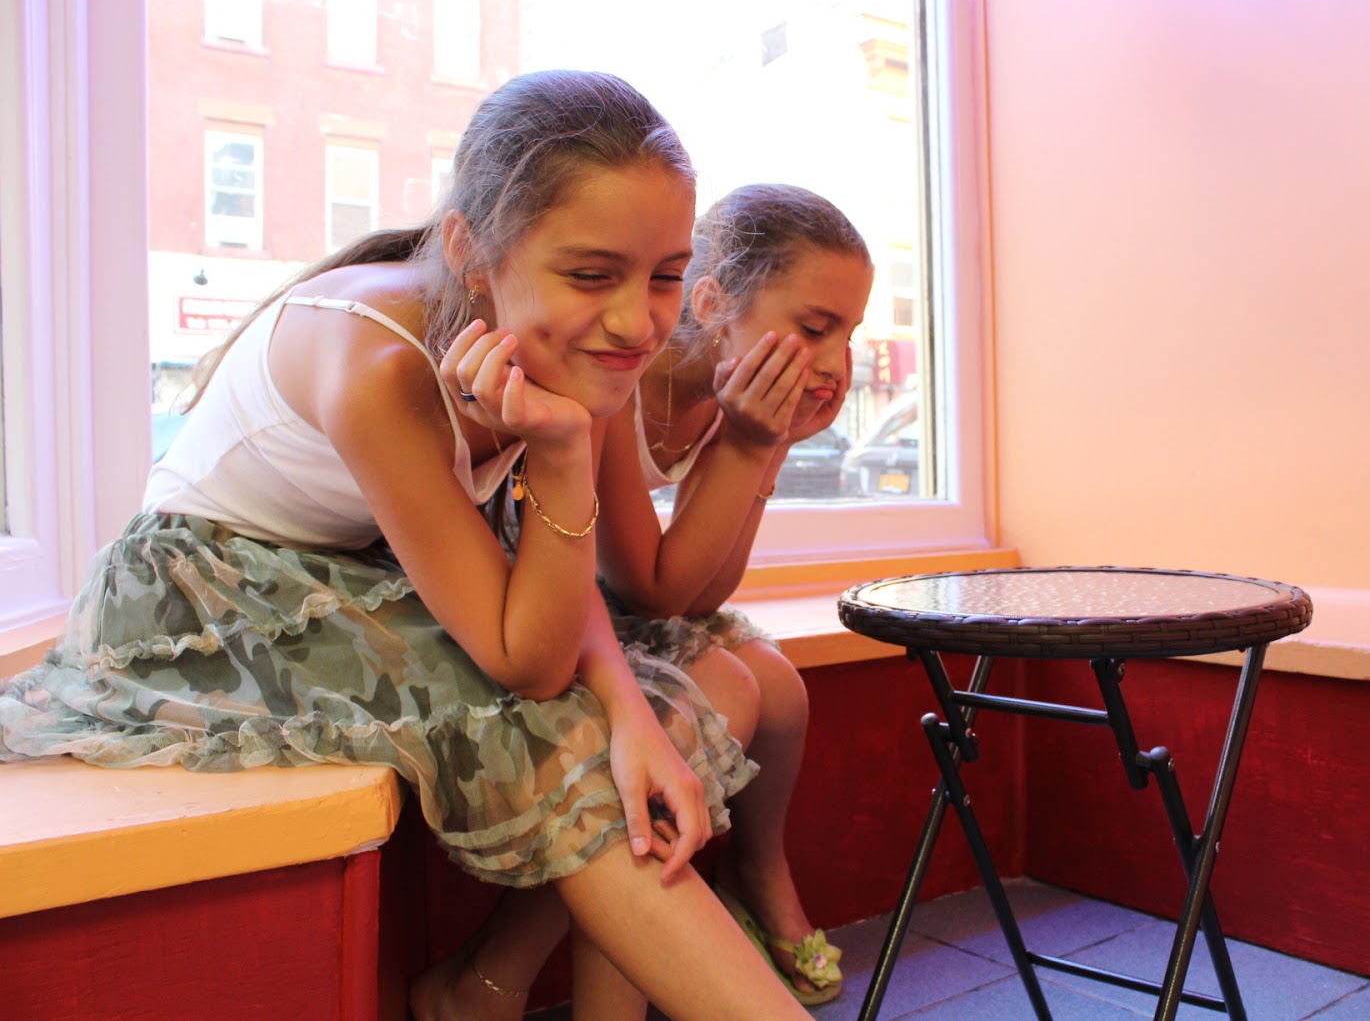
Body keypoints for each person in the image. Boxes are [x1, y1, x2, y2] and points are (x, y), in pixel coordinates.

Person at [0, 70, 809, 1021]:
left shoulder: (578, 346)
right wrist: (557, 453)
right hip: (222, 588)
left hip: (376, 567)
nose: (639, 320)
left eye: (667, 275)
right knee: (564, 733)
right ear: (473, 250)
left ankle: (492, 993)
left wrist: (631, 708)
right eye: (592, 274)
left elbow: (558, 579)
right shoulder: (381, 367)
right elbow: (530, 661)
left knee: (696, 691)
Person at [595, 184, 874, 1008]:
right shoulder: (625, 373)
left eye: (848, 335)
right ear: (712, 301)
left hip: (633, 592)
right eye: (816, 327)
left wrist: (767, 444)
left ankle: (760, 871)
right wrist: (754, 443)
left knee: (781, 689)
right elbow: (651, 588)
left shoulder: (730, 394)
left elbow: (706, 587)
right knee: (727, 690)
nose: (831, 361)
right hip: (562, 588)